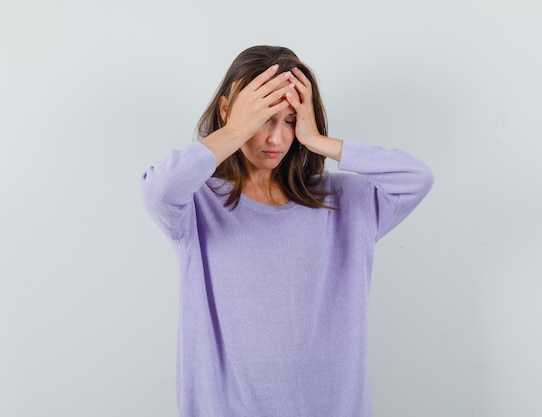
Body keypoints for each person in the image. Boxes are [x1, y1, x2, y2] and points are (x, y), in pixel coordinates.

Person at [141, 45, 434, 417]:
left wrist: (317, 141)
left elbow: (417, 178)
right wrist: (234, 130)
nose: (276, 139)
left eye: (291, 120)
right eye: (263, 118)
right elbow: (158, 188)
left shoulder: (344, 201)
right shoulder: (197, 203)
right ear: (228, 110)